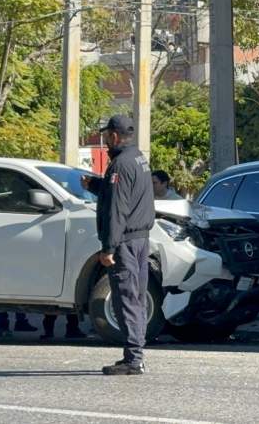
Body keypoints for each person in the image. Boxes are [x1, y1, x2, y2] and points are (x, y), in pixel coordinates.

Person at [81, 115, 155, 376]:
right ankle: (135, 355)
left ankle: (133, 359)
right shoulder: (138, 158)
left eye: (106, 136)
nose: (105, 141)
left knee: (126, 298)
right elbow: (125, 194)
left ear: (114, 136)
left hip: (125, 242)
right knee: (136, 297)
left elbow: (117, 209)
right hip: (140, 239)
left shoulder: (120, 165)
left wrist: (108, 248)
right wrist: (96, 185)